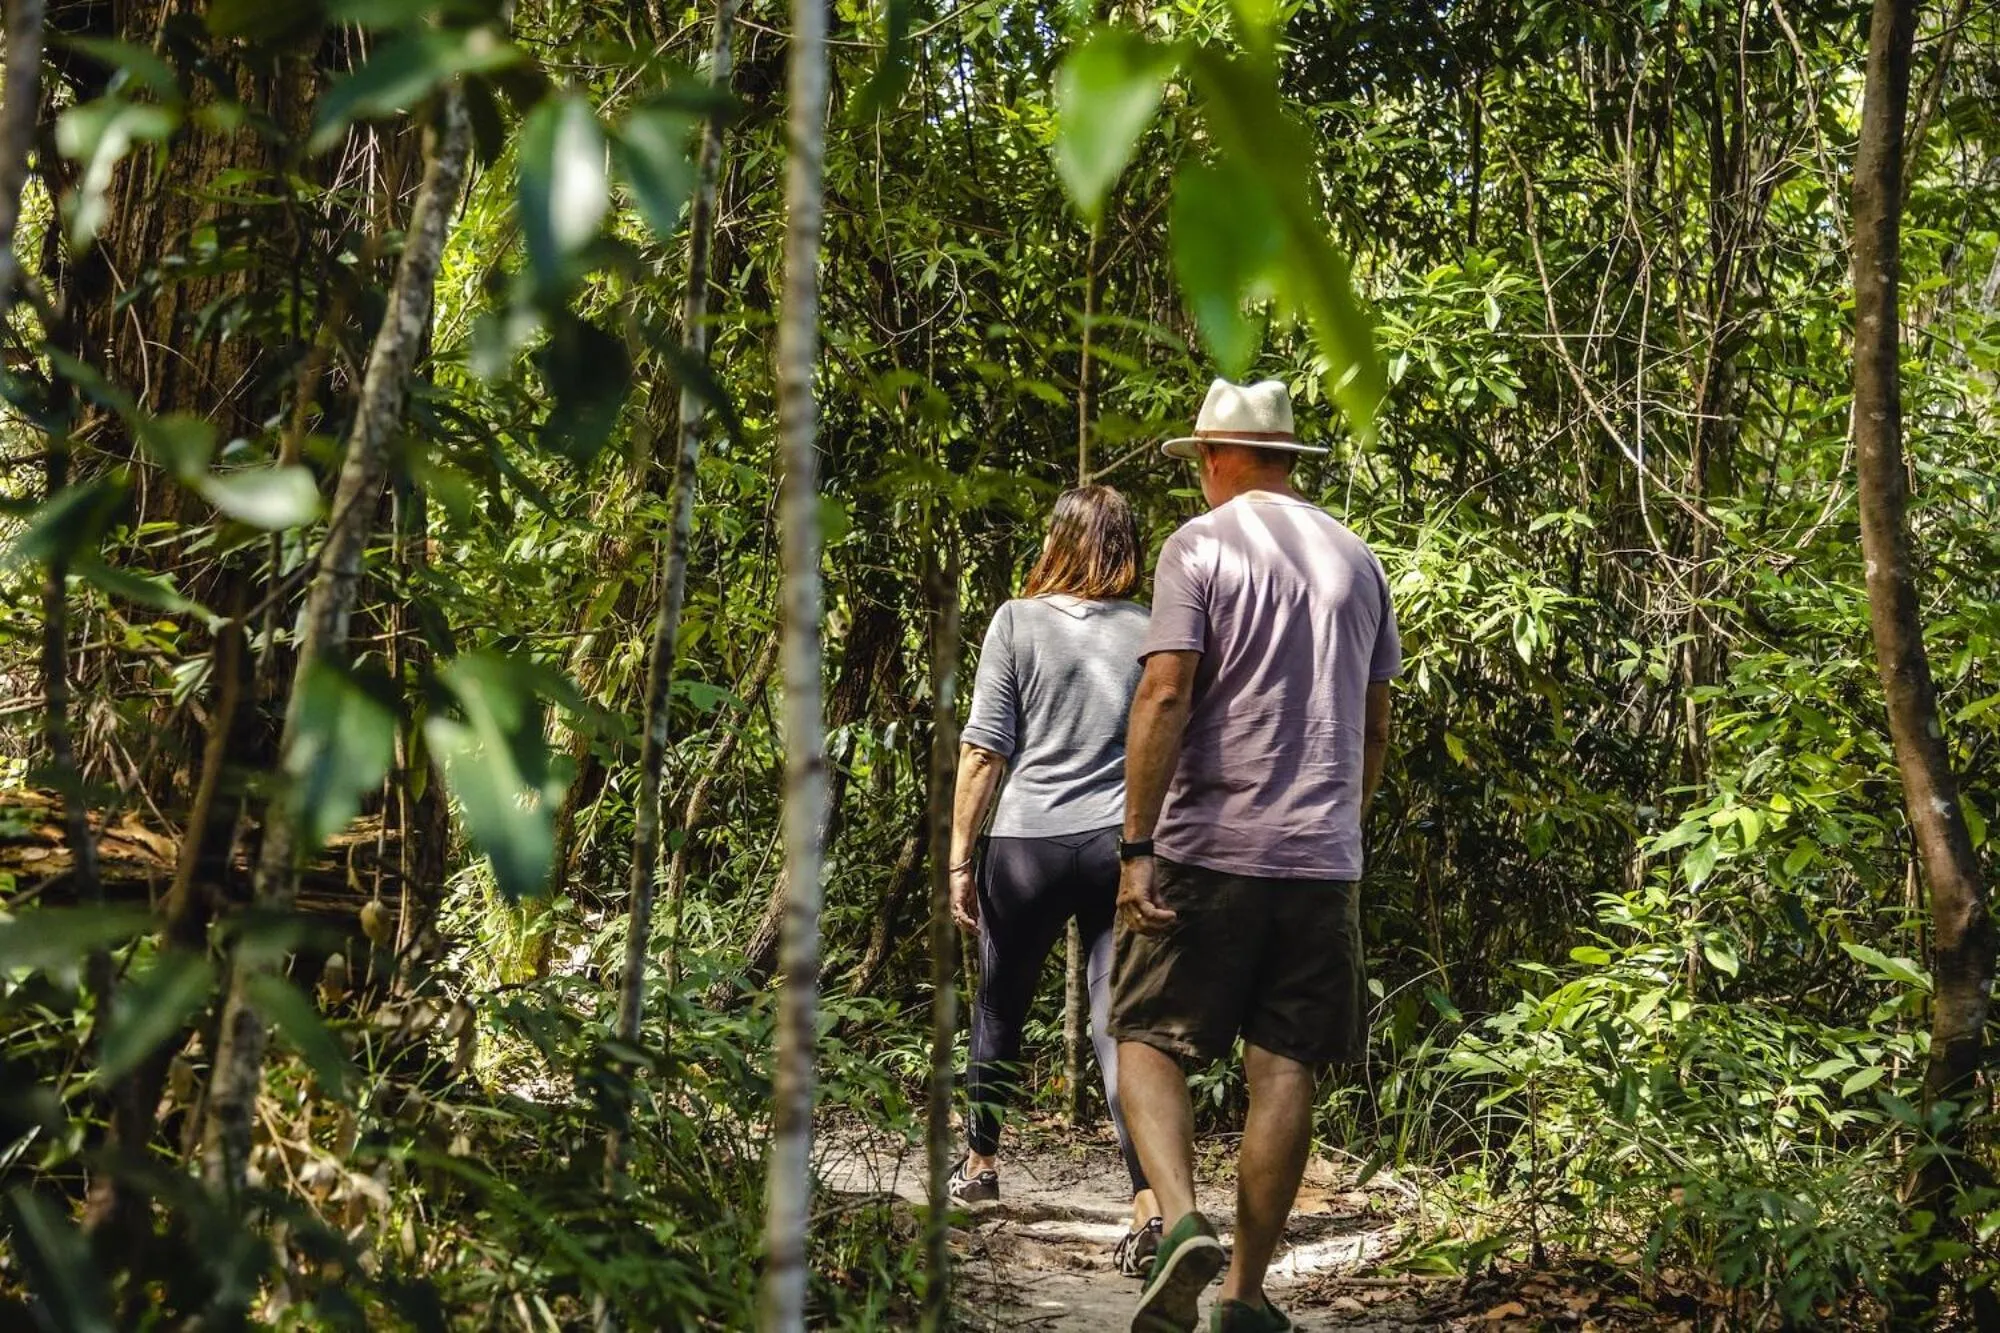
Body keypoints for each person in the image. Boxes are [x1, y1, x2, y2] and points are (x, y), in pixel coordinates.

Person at [1111, 379, 1400, 1333]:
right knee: (1285, 1070)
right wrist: (1340, 827)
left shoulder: (1201, 546)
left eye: (1201, 458)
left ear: (1218, 456)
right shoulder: (1357, 559)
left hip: (1209, 847)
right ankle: (1243, 1294)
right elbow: (1376, 717)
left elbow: (1164, 693)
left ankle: (1181, 1214)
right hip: (1322, 862)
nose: (1199, 474)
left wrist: (1137, 847)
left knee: (1147, 1036)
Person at [946, 484, 1166, 1277]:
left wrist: (960, 856)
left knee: (1000, 1004)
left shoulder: (1016, 620)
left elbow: (984, 750)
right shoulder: (1149, 630)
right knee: (1120, 1024)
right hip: (1119, 846)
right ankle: (1147, 1198)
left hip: (1029, 844)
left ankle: (979, 1165)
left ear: (1058, 543)